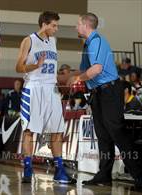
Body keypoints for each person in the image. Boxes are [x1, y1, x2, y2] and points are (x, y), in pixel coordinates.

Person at [68, 13, 142, 190]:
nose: (76, 27)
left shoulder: (97, 40)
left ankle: (139, 174)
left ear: (86, 25)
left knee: (117, 133)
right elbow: (86, 70)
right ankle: (104, 174)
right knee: (103, 136)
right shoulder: (87, 44)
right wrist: (74, 77)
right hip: (98, 93)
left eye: (78, 24)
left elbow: (96, 69)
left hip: (109, 91)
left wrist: (77, 78)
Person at [15, 11, 76, 184]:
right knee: (29, 131)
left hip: (51, 90)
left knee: (57, 131)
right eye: (54, 25)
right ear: (44, 24)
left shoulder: (54, 41)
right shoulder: (29, 40)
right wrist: (36, 65)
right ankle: (27, 168)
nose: (56, 29)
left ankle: (59, 170)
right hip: (34, 89)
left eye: (57, 25)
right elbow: (18, 67)